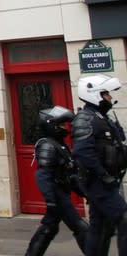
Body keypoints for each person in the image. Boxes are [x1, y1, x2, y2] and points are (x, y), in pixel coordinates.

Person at [72, 74, 127, 255]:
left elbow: (116, 143)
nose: (110, 97)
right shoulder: (85, 119)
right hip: (98, 183)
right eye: (106, 94)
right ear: (94, 94)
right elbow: (82, 151)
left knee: (100, 226)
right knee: (124, 219)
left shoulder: (101, 117)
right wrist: (103, 174)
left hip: (107, 180)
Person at [25, 105, 88, 255]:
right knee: (81, 227)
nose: (64, 128)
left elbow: (70, 172)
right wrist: (51, 199)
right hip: (58, 194)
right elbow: (43, 175)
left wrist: (83, 192)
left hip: (62, 192)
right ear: (51, 125)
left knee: (49, 227)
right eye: (60, 124)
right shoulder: (48, 145)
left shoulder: (60, 145)